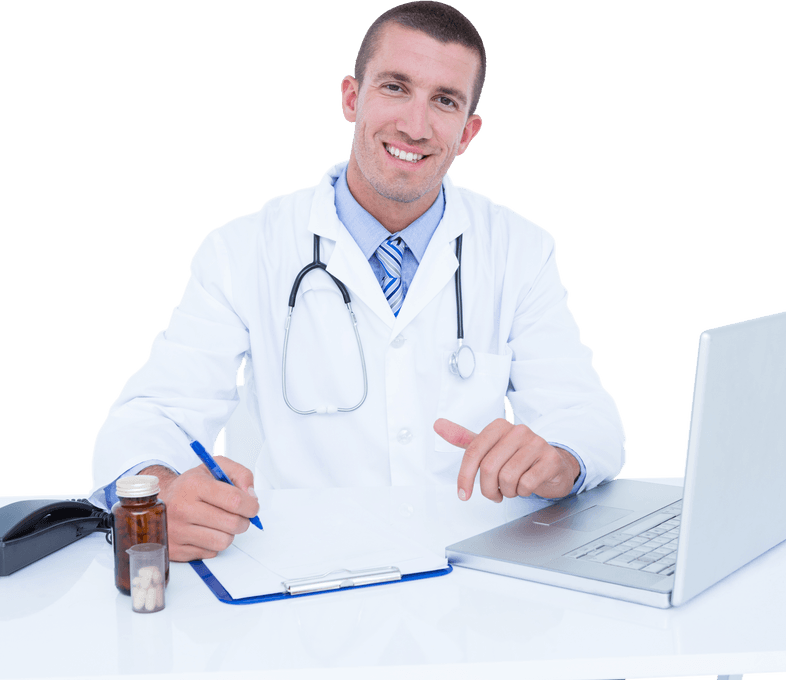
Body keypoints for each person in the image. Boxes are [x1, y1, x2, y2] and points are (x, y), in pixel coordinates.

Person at [90, 1, 627, 562]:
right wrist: (163, 492)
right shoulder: (244, 249)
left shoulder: (520, 250)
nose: (415, 126)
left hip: (468, 576)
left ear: (468, 131)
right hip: (302, 573)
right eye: (395, 87)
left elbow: (588, 418)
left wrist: (557, 460)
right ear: (351, 98)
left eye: (444, 101)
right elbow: (152, 415)